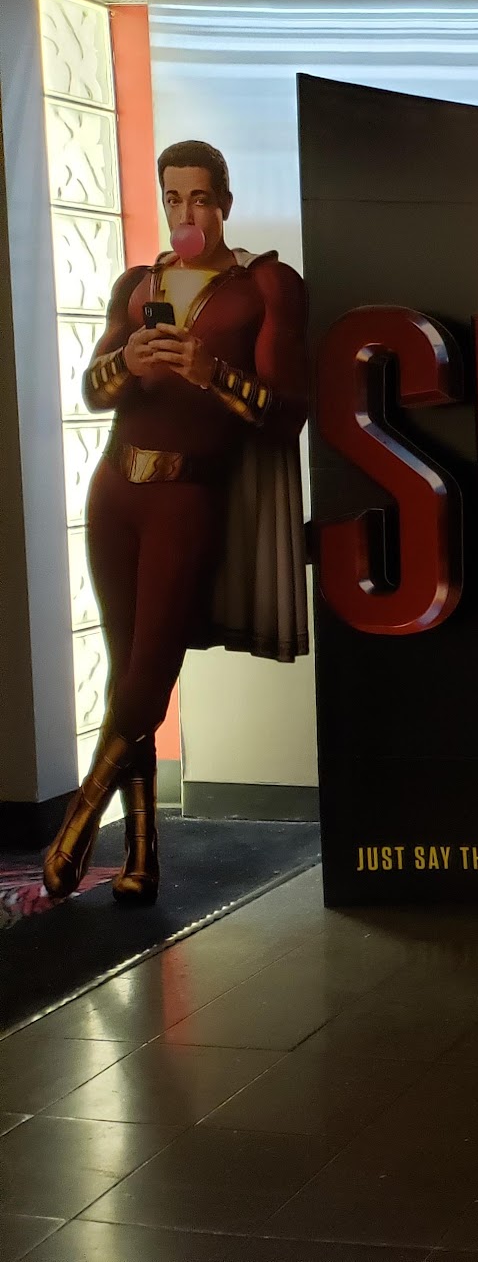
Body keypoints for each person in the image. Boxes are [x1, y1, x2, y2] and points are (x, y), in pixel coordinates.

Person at [42, 141, 309, 906]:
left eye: (198, 197)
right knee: (129, 669)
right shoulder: (138, 285)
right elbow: (94, 392)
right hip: (115, 490)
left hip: (188, 495)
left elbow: (286, 414)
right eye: (172, 197)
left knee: (147, 673)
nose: (185, 212)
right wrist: (127, 361)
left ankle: (75, 825)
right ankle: (143, 856)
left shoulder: (265, 285)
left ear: (223, 202)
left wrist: (211, 373)